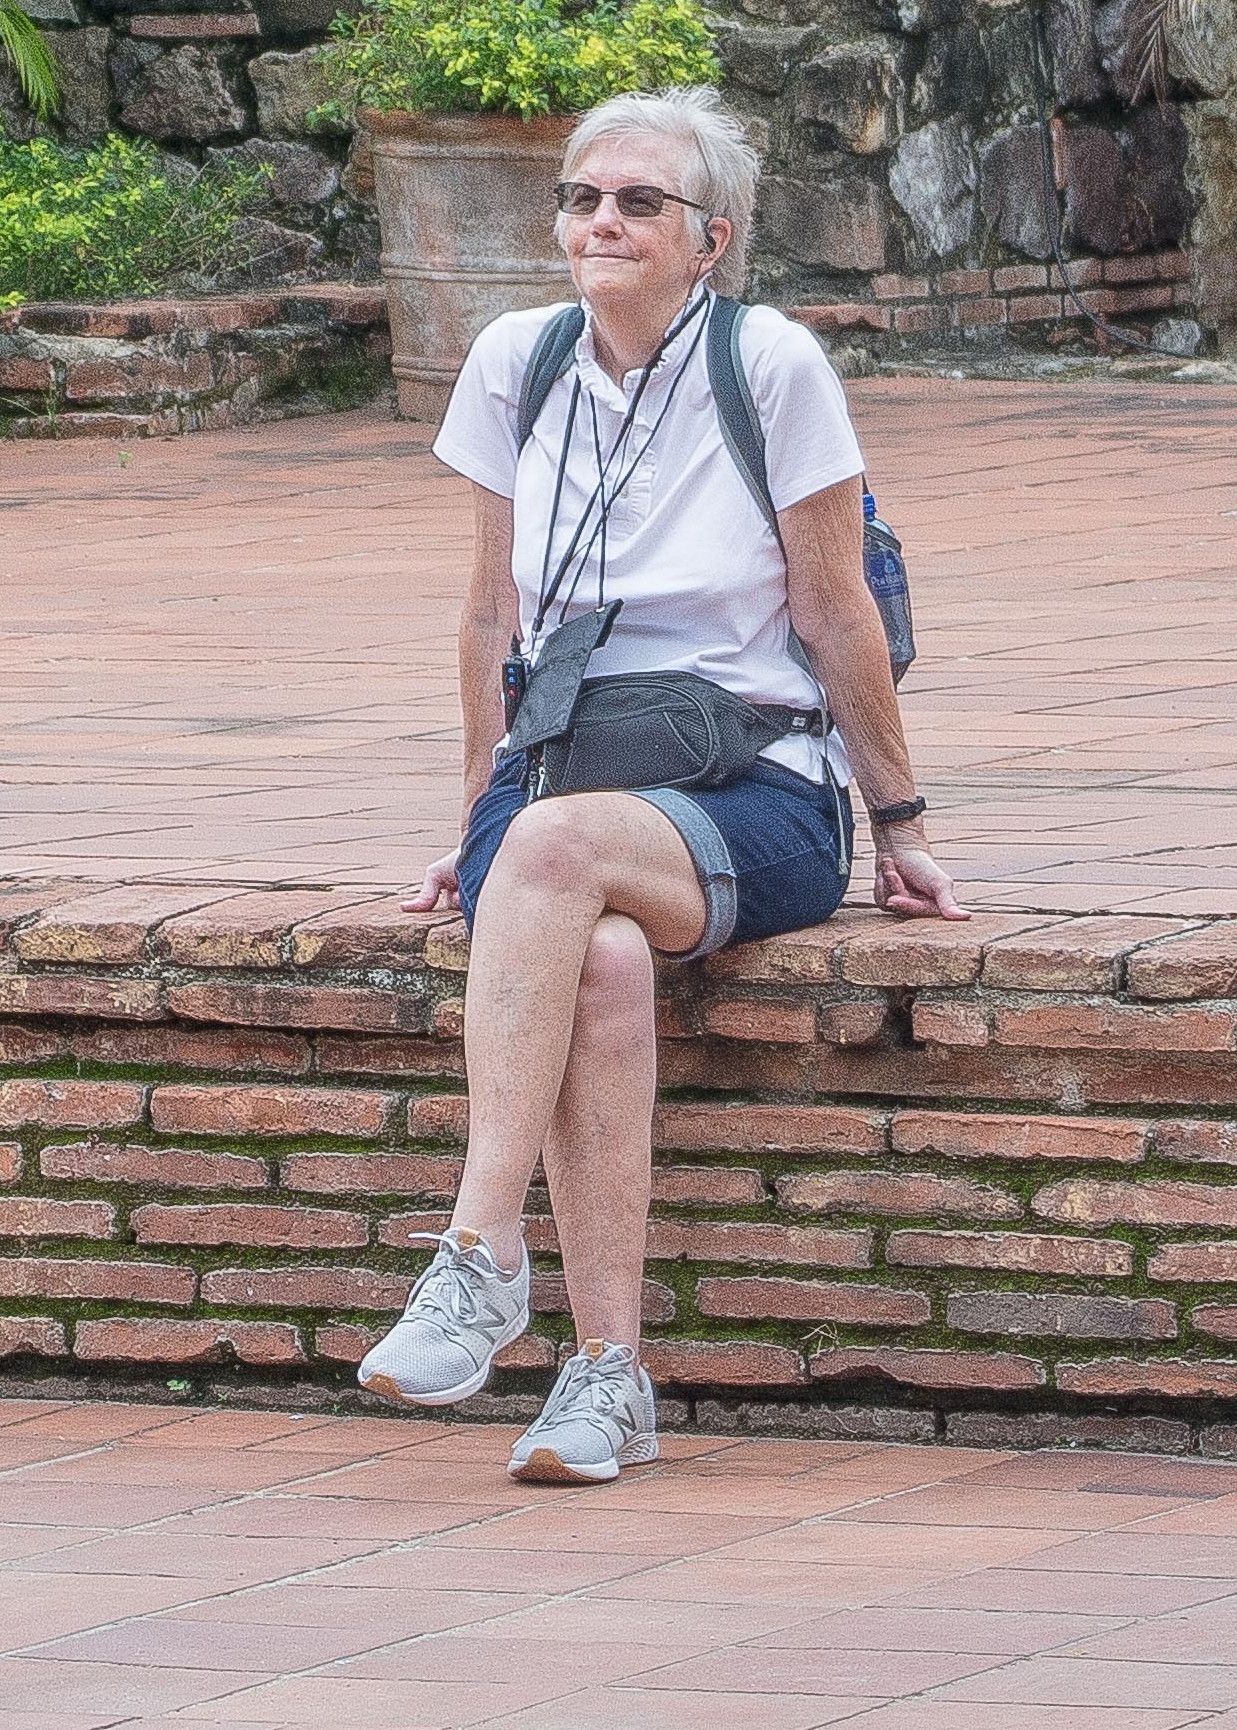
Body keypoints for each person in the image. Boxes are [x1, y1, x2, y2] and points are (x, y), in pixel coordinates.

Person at [357, 83, 962, 1483]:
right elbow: (489, 618)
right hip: (562, 770)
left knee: (555, 857)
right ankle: (609, 1377)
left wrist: (900, 820)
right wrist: (470, 811)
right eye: (582, 198)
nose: (603, 222)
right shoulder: (514, 362)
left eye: (641, 202)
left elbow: (836, 611)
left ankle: (479, 1250)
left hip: (758, 786)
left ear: (711, 239)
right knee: (604, 962)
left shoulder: (772, 366)